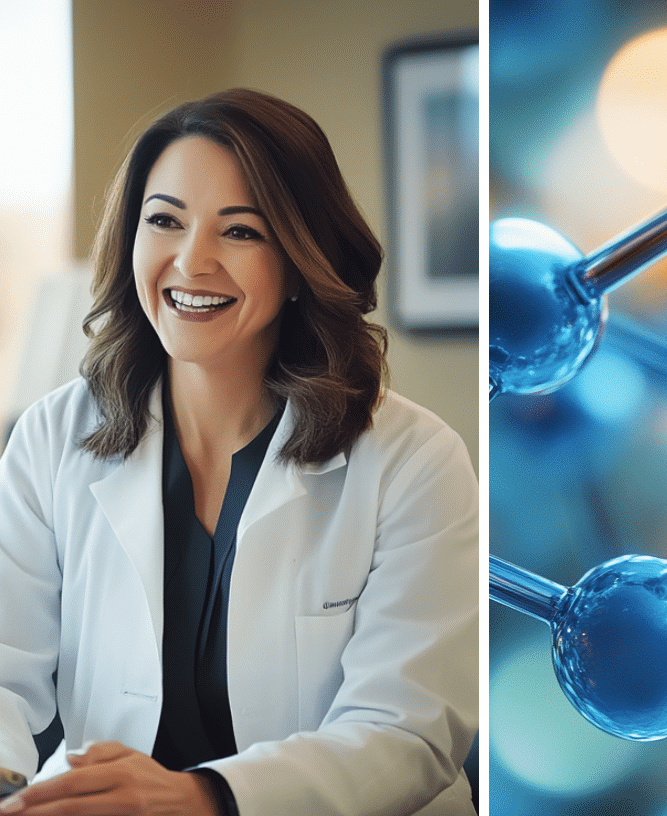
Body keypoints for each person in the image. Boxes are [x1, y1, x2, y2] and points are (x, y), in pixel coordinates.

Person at [0, 89, 477, 815]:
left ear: (300, 258)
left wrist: (201, 798)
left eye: (241, 232)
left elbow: (406, 732)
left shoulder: (416, 462)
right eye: (164, 221)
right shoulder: (47, 439)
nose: (192, 262)